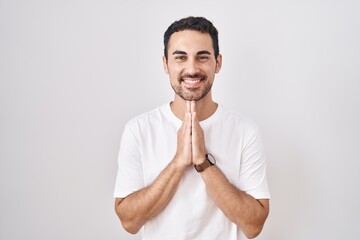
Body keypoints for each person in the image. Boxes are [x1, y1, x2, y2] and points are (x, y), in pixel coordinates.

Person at [114, 16, 270, 240]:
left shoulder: (245, 132)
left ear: (218, 62)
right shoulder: (138, 129)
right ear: (165, 64)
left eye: (202, 57)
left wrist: (203, 162)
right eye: (180, 57)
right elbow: (129, 222)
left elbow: (254, 225)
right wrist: (179, 161)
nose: (192, 68)